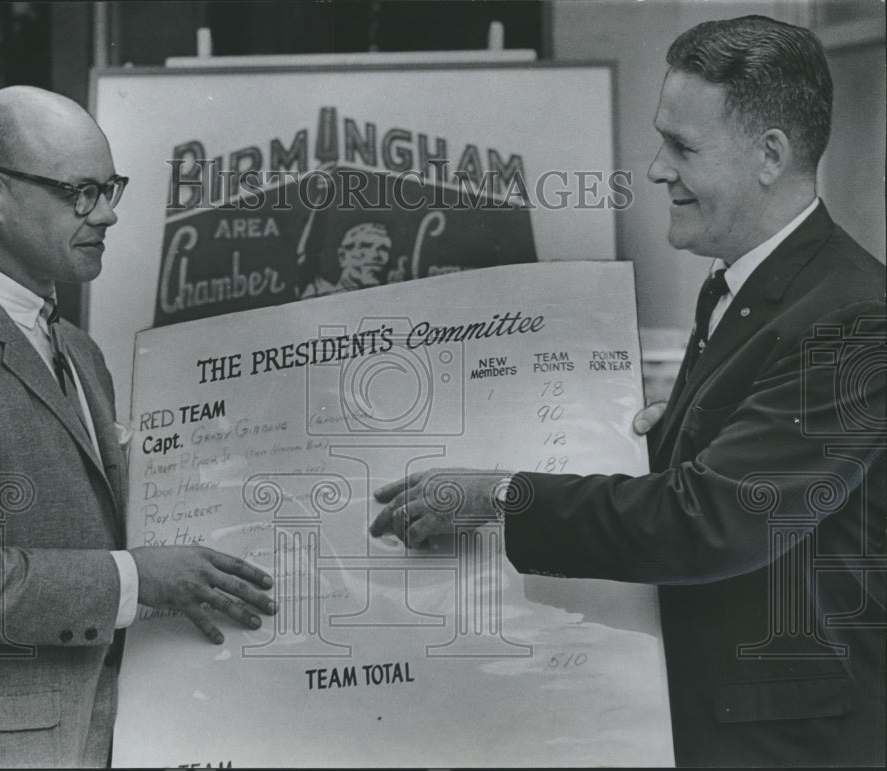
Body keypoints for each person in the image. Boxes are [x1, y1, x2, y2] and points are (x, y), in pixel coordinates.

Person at [371, 16, 885, 767]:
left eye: (682, 146)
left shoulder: (854, 316)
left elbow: (715, 517)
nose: (654, 169)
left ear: (770, 154)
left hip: (787, 744)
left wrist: (498, 494)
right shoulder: (744, 287)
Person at [0, 86, 276, 768]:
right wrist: (137, 579)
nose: (110, 213)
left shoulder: (78, 348)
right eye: (82, 191)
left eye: (112, 187)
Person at [300, 221, 393, 298]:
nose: (376, 255)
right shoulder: (316, 295)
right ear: (343, 256)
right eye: (366, 246)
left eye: (383, 248)